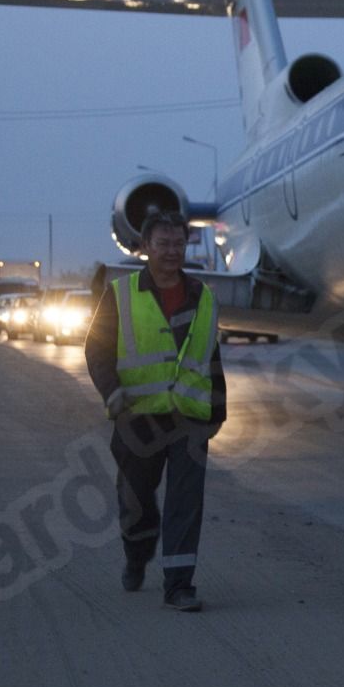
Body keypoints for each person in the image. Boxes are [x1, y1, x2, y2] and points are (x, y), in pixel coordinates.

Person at [85, 208, 226, 611]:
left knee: (186, 502)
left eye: (179, 243)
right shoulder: (121, 294)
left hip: (189, 419)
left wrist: (218, 412)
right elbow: (96, 348)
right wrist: (111, 393)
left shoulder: (203, 297)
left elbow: (210, 359)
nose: (171, 251)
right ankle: (136, 552)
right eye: (162, 243)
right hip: (137, 418)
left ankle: (179, 585)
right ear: (144, 247)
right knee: (136, 502)